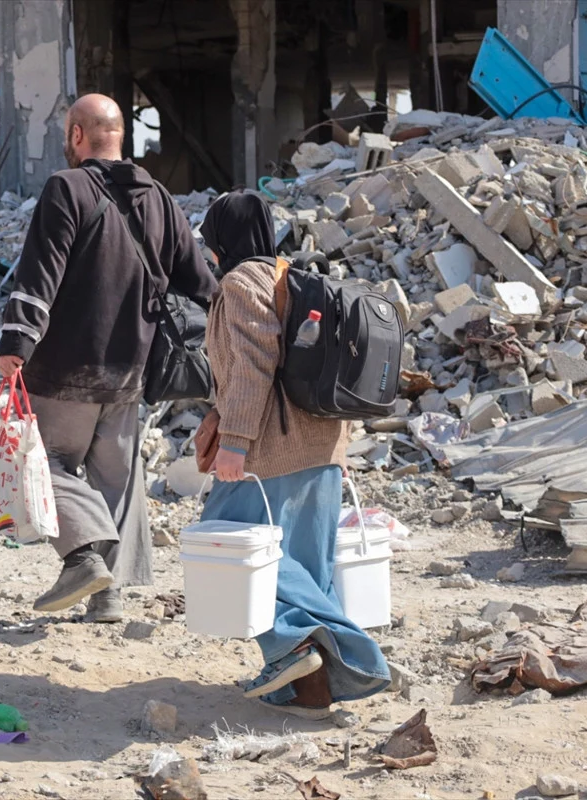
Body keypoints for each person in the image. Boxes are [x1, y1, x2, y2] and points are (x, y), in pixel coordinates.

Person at [0, 93, 218, 623]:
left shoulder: (65, 188)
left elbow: (40, 272)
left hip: (66, 371)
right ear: (121, 137)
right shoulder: (160, 197)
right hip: (130, 373)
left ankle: (81, 558)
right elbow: (201, 283)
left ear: (77, 135)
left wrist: (16, 342)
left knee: (39, 463)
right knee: (116, 480)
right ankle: (109, 596)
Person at [200, 191, 390, 719]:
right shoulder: (296, 276)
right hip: (323, 445)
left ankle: (344, 653)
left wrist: (234, 442)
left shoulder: (241, 284)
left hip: (270, 448)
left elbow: (253, 365)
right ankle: (312, 691)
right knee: (305, 564)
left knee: (239, 547)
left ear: (221, 241)